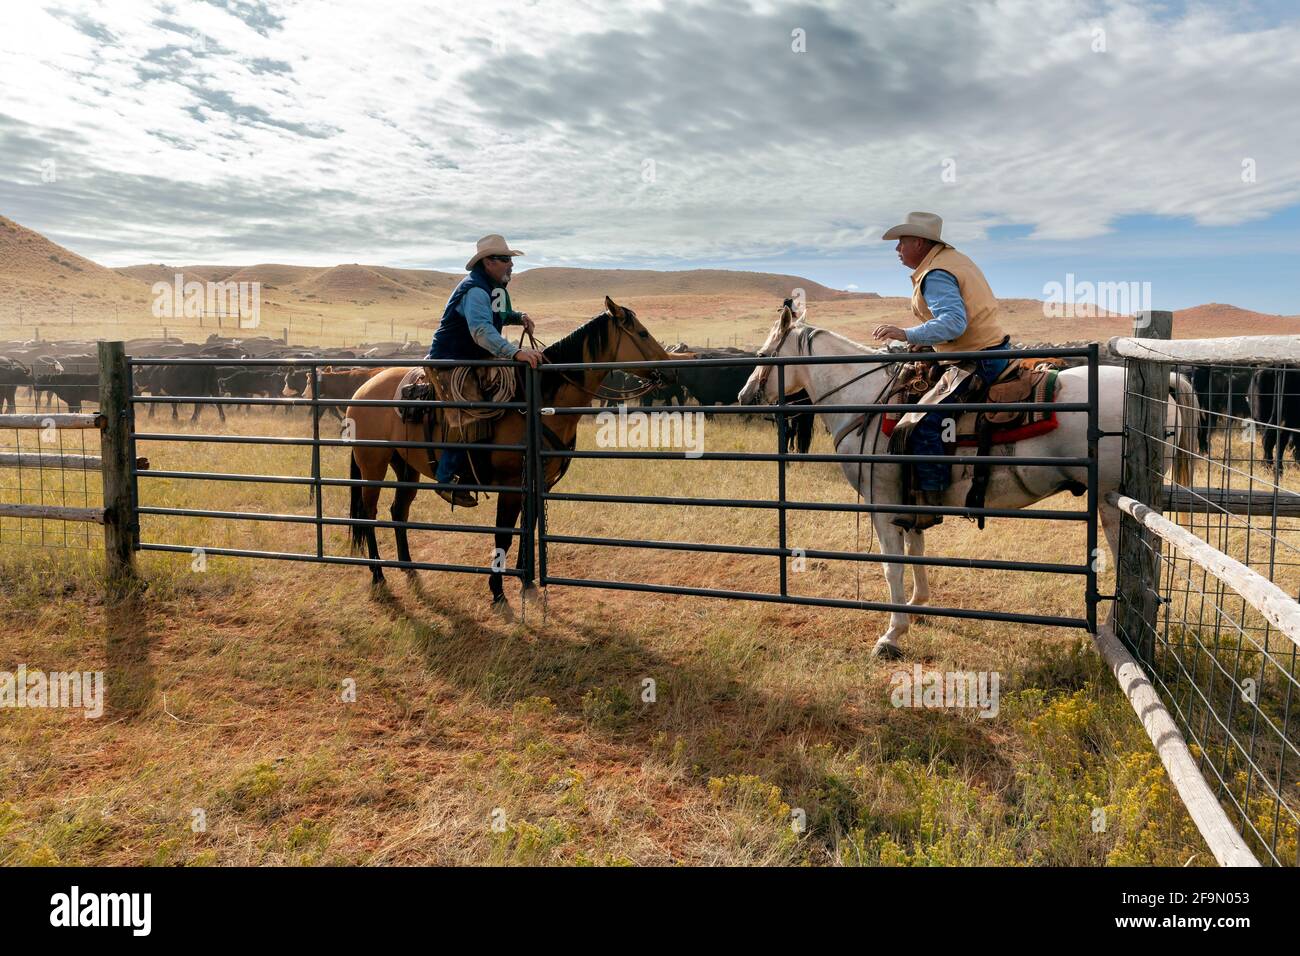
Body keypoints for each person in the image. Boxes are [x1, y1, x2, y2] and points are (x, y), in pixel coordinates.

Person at [872, 212, 1010, 530]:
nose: (897, 250)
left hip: (978, 358)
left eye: (902, 242)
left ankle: (929, 502)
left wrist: (906, 334)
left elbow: (953, 322)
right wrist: (928, 344)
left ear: (919, 242)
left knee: (923, 421)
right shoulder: (953, 260)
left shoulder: (936, 272)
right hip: (985, 349)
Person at [426, 234, 546, 506]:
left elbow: (500, 315)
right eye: (505, 260)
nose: (511, 265)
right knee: (473, 409)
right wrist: (515, 352)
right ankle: (446, 479)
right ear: (488, 262)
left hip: (478, 359)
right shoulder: (475, 290)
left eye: (510, 260)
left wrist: (519, 317)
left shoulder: (496, 289)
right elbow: (481, 331)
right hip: (453, 360)